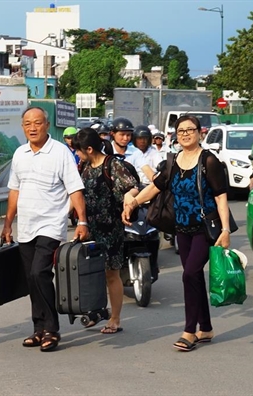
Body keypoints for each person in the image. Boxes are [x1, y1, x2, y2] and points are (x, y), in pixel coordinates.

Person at [122, 115, 232, 352]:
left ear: (199, 132)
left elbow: (221, 197)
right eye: (180, 130)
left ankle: (189, 331)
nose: (185, 134)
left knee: (189, 274)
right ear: (176, 134)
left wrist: (225, 230)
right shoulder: (173, 161)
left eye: (189, 130)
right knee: (193, 277)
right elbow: (155, 187)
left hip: (205, 228)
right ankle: (206, 328)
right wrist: (133, 203)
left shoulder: (208, 161)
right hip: (182, 229)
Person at [1, 106, 89, 352]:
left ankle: (52, 329)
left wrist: (82, 221)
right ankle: (38, 329)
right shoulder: (19, 154)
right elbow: (14, 191)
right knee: (30, 278)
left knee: (40, 272)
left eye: (37, 123)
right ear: (22, 127)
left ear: (47, 125)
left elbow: (74, 188)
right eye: (27, 123)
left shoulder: (60, 152)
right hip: (26, 225)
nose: (32, 127)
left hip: (51, 224)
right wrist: (8, 223)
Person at [71, 128, 139, 333]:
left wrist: (129, 198)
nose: (77, 155)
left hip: (111, 230)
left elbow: (133, 186)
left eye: (79, 151)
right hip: (88, 228)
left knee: (111, 274)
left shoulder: (113, 164)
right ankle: (95, 312)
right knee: (89, 273)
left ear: (89, 149)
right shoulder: (83, 166)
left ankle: (115, 318)